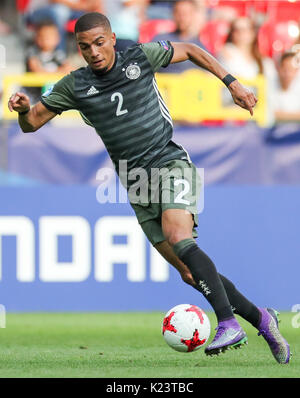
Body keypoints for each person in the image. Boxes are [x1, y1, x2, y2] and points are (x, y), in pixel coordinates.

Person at [8, 12, 290, 363]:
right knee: (189, 272)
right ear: (78, 49)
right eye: (84, 47)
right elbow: (31, 124)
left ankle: (228, 322)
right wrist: (22, 111)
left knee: (178, 235)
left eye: (99, 43)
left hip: (170, 163)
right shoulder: (74, 85)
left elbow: (189, 49)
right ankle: (262, 319)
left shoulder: (139, 58)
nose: (93, 52)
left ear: (112, 38)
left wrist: (231, 82)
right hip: (135, 180)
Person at [26, 0, 104, 53]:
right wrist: (80, 6)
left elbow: (94, 3)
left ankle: (94, 51)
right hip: (38, 11)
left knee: (92, 16)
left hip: (71, 10)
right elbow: (55, 1)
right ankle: (60, 53)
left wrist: (84, 6)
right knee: (61, 11)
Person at [152, 0, 208, 73]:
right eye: (178, 13)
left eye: (185, 14)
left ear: (193, 15)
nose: (182, 18)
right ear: (173, 14)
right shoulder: (160, 41)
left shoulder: (200, 47)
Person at [273, 51, 300, 122]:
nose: (287, 74)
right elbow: (270, 114)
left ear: (296, 71)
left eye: (291, 69)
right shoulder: (270, 85)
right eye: (285, 69)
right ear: (278, 69)